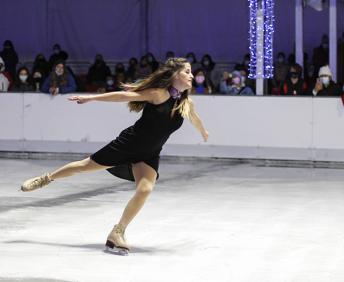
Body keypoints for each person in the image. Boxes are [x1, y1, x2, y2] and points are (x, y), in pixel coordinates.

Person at [20, 58, 209, 255]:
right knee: (84, 166)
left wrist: (203, 132)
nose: (192, 75)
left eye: (191, 72)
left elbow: (194, 117)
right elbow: (123, 96)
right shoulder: (157, 94)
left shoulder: (184, 102)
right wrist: (91, 98)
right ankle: (46, 178)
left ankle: (117, 232)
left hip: (150, 153)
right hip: (128, 145)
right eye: (187, 71)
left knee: (145, 189)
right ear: (174, 75)